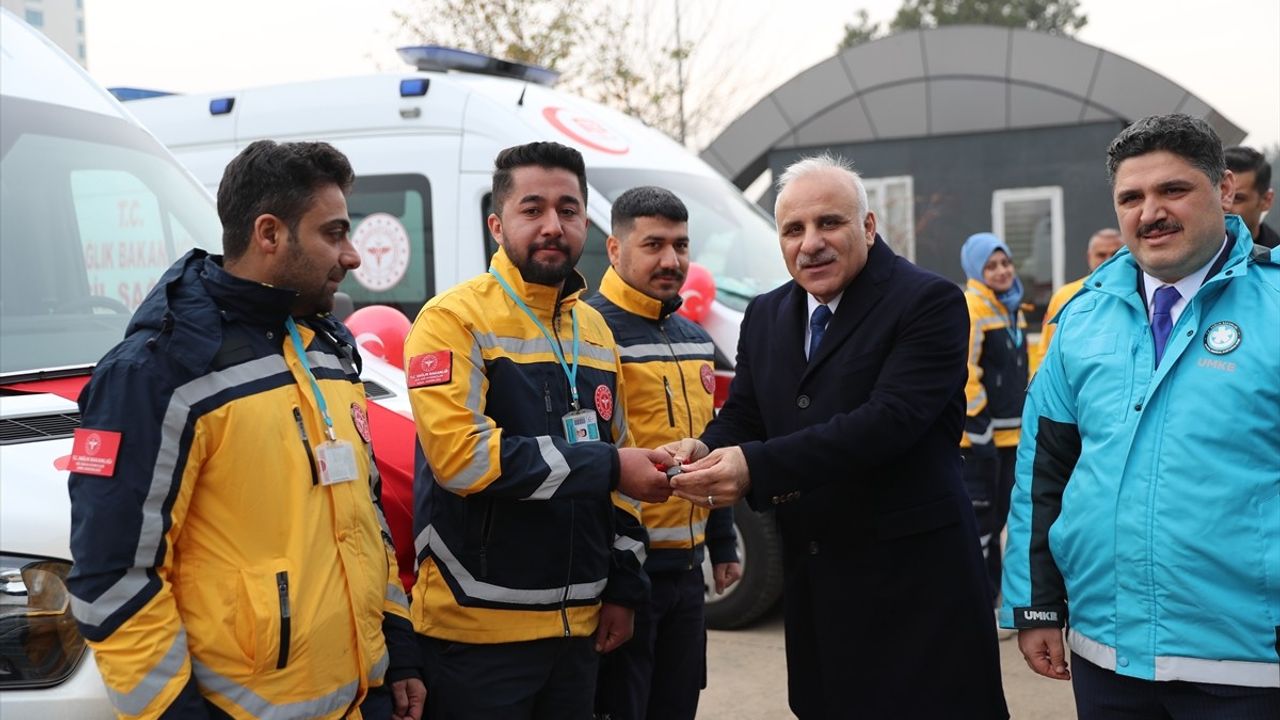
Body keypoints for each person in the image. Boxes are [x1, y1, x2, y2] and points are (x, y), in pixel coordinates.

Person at [66, 140, 425, 719]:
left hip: (366, 700)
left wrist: (398, 653)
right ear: (269, 234)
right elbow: (112, 576)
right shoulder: (155, 371)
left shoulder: (327, 348)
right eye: (333, 234)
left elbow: (365, 520)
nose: (353, 256)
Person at [666, 154, 1009, 719]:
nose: (811, 243)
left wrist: (752, 466)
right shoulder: (767, 313)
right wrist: (705, 447)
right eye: (793, 229)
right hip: (818, 585)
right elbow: (747, 413)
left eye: (830, 223)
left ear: (868, 227)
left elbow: (888, 421)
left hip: (915, 587)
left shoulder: (928, 302)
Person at [1001, 114, 1280, 718]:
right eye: (1131, 197)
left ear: (1225, 190)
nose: (1150, 211)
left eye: (1173, 190)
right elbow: (1044, 472)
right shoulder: (1081, 318)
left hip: (1251, 665)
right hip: (1108, 659)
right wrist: (1037, 606)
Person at [402, 141, 673, 719]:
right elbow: (462, 459)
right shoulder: (451, 319)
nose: (553, 225)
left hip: (579, 629)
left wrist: (624, 585)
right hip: (477, 632)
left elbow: (623, 467)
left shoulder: (596, 330)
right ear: (497, 224)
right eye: (533, 209)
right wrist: (607, 467)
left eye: (569, 210)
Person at [587, 186, 741, 720]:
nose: (671, 260)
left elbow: (710, 440)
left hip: (685, 574)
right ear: (614, 249)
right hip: (619, 575)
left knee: (678, 704)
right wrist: (619, 582)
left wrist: (721, 542)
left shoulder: (696, 337)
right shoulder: (588, 333)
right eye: (653, 244)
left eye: (681, 245)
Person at [958, 232, 1029, 621]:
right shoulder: (973, 306)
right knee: (981, 524)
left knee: (1000, 520)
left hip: (1009, 435)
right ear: (975, 269)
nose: (1001, 271)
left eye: (1005, 263)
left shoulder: (1009, 305)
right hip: (980, 439)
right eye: (991, 265)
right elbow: (964, 374)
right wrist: (979, 430)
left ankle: (993, 599)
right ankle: (979, 606)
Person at [1029, 229, 1124, 372]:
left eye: (1115, 254)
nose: (1108, 260)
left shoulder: (1142, 292)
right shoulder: (1065, 296)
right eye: (1101, 255)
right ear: (1089, 257)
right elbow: (1047, 351)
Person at [1224, 145, 1278, 249]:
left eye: (1237, 198)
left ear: (1266, 200)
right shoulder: (1188, 237)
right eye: (1218, 194)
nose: (1223, 205)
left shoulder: (1274, 260)